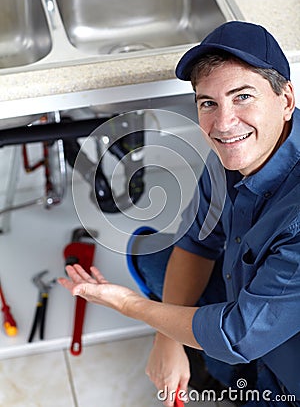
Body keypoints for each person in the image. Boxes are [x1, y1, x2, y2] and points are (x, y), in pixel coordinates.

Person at [58, 21, 300, 406]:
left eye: (242, 97)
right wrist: (167, 340)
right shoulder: (238, 152)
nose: (223, 124)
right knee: (151, 251)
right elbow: (198, 242)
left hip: (290, 371)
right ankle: (217, 370)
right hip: (254, 320)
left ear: (285, 100)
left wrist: (131, 306)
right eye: (209, 103)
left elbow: (238, 335)